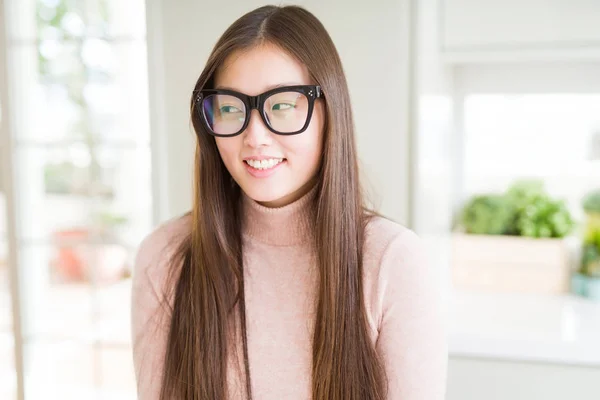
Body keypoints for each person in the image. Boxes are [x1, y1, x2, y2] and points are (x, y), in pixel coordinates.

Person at [131, 5, 447, 400]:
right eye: (231, 108)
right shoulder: (165, 257)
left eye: (281, 105)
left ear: (329, 112)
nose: (255, 137)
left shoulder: (392, 261)